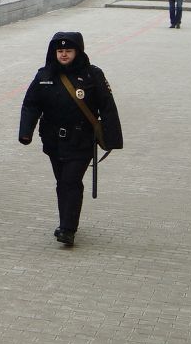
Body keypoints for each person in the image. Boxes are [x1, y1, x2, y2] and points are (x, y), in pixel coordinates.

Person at [17, 31, 124, 248]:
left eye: (68, 51)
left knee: (70, 181)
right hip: (53, 140)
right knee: (62, 182)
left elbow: (107, 107)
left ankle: (67, 229)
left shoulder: (93, 75)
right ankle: (66, 222)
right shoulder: (44, 75)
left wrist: (112, 139)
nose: (64, 55)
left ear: (78, 52)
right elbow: (31, 104)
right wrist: (25, 131)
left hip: (81, 140)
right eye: (60, 51)